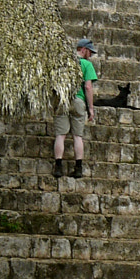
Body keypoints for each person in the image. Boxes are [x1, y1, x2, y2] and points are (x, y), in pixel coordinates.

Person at [53, 38, 96, 179]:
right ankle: (78, 168)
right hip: (78, 100)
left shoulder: (64, 63)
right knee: (77, 136)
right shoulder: (86, 64)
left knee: (61, 135)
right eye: (89, 52)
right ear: (83, 49)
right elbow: (88, 87)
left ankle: (58, 167)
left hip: (63, 99)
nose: (90, 55)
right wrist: (91, 108)